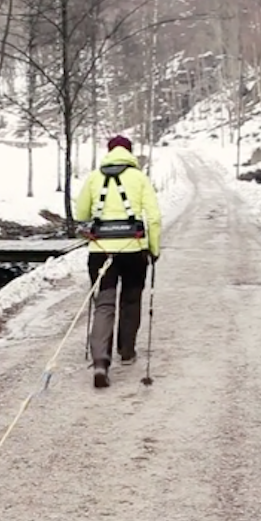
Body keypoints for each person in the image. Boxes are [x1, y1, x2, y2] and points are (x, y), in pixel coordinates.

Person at [72, 134, 162, 388]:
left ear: (109, 152)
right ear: (130, 153)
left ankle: (100, 360)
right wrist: (153, 249)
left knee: (104, 303)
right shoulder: (140, 178)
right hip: (133, 250)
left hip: (100, 250)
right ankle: (127, 351)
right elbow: (153, 217)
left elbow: (81, 214)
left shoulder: (93, 177)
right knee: (131, 299)